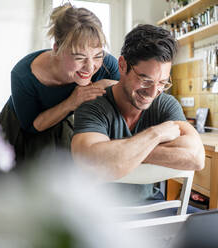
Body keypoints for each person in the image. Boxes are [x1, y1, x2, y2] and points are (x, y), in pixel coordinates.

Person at [71, 24, 205, 206]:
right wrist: (156, 135)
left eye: (162, 83)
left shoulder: (165, 104)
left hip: (153, 208)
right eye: (145, 80)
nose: (152, 92)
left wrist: (122, 154)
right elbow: (90, 161)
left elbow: (196, 157)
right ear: (122, 65)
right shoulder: (93, 105)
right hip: (101, 215)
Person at [0, 4, 120, 164]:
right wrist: (72, 101)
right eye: (79, 57)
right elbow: (33, 126)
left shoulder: (105, 64)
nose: (90, 67)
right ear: (57, 49)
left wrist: (102, 83)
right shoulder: (23, 75)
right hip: (22, 129)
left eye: (97, 55)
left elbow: (124, 89)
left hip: (64, 123)